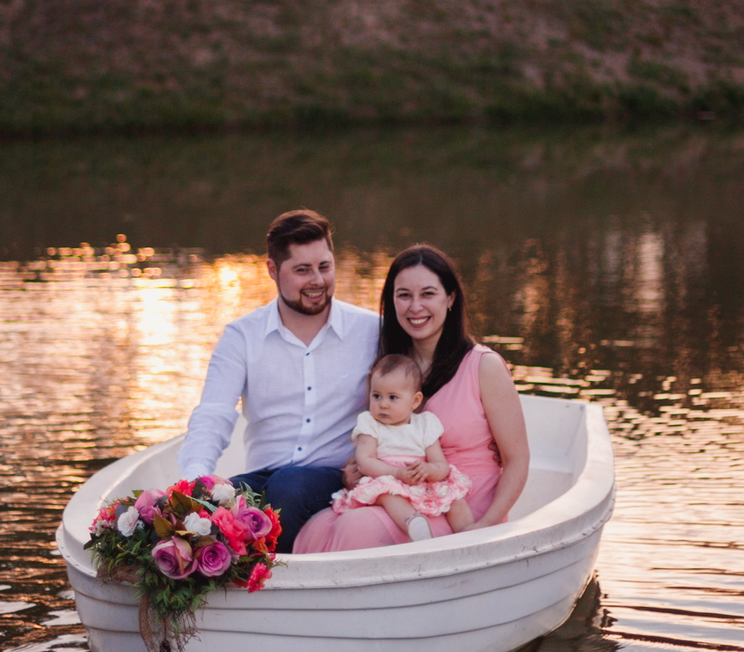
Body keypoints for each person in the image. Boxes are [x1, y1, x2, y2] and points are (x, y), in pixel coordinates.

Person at [294, 244, 530, 554]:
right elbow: (379, 438)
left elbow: (517, 460)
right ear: (392, 302)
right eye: (404, 295)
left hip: (464, 508)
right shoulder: (389, 370)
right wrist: (354, 471)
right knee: (319, 524)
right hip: (403, 498)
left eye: (428, 294)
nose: (415, 307)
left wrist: (486, 525)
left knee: (357, 527)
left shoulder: (484, 366)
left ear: (450, 298)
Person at [177, 208, 378, 553]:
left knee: (290, 485)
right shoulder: (242, 336)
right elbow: (213, 413)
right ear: (273, 270)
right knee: (200, 514)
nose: (317, 280)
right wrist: (197, 480)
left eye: (325, 267)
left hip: (336, 476)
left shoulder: (372, 331)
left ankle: (272, 583)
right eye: (302, 270)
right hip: (264, 478)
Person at [330, 352, 473, 541]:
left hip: (419, 479)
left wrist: (429, 470)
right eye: (377, 396)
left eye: (392, 398)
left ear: (415, 401)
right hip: (385, 477)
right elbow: (365, 461)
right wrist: (396, 474)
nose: (383, 405)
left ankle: (471, 536)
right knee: (388, 494)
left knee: (454, 498)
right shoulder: (370, 423)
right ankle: (414, 523)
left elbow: (441, 465)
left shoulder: (425, 424)